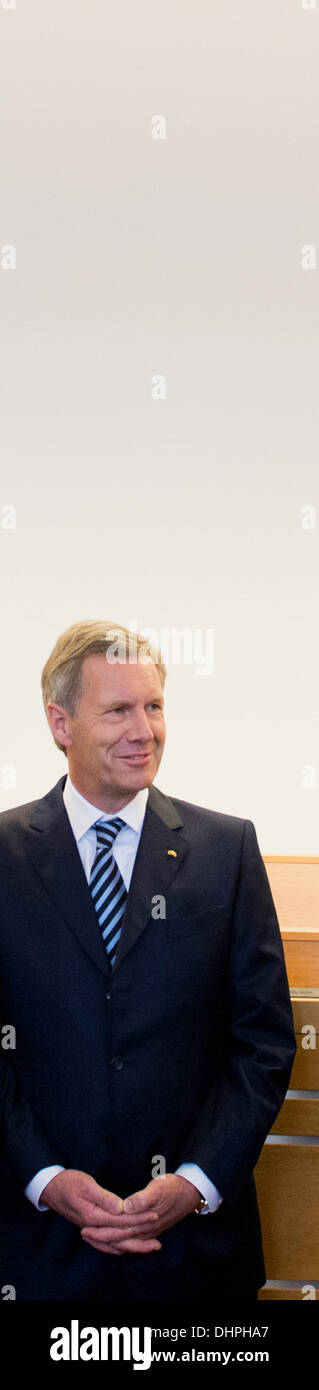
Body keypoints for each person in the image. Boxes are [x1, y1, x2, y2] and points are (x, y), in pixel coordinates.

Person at [0, 619, 296, 1302]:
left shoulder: (226, 850)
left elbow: (262, 1042)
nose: (144, 729)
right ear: (60, 723)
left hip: (191, 1259)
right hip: (35, 1252)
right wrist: (46, 1179)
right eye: (118, 710)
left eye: (154, 706)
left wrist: (195, 1181)